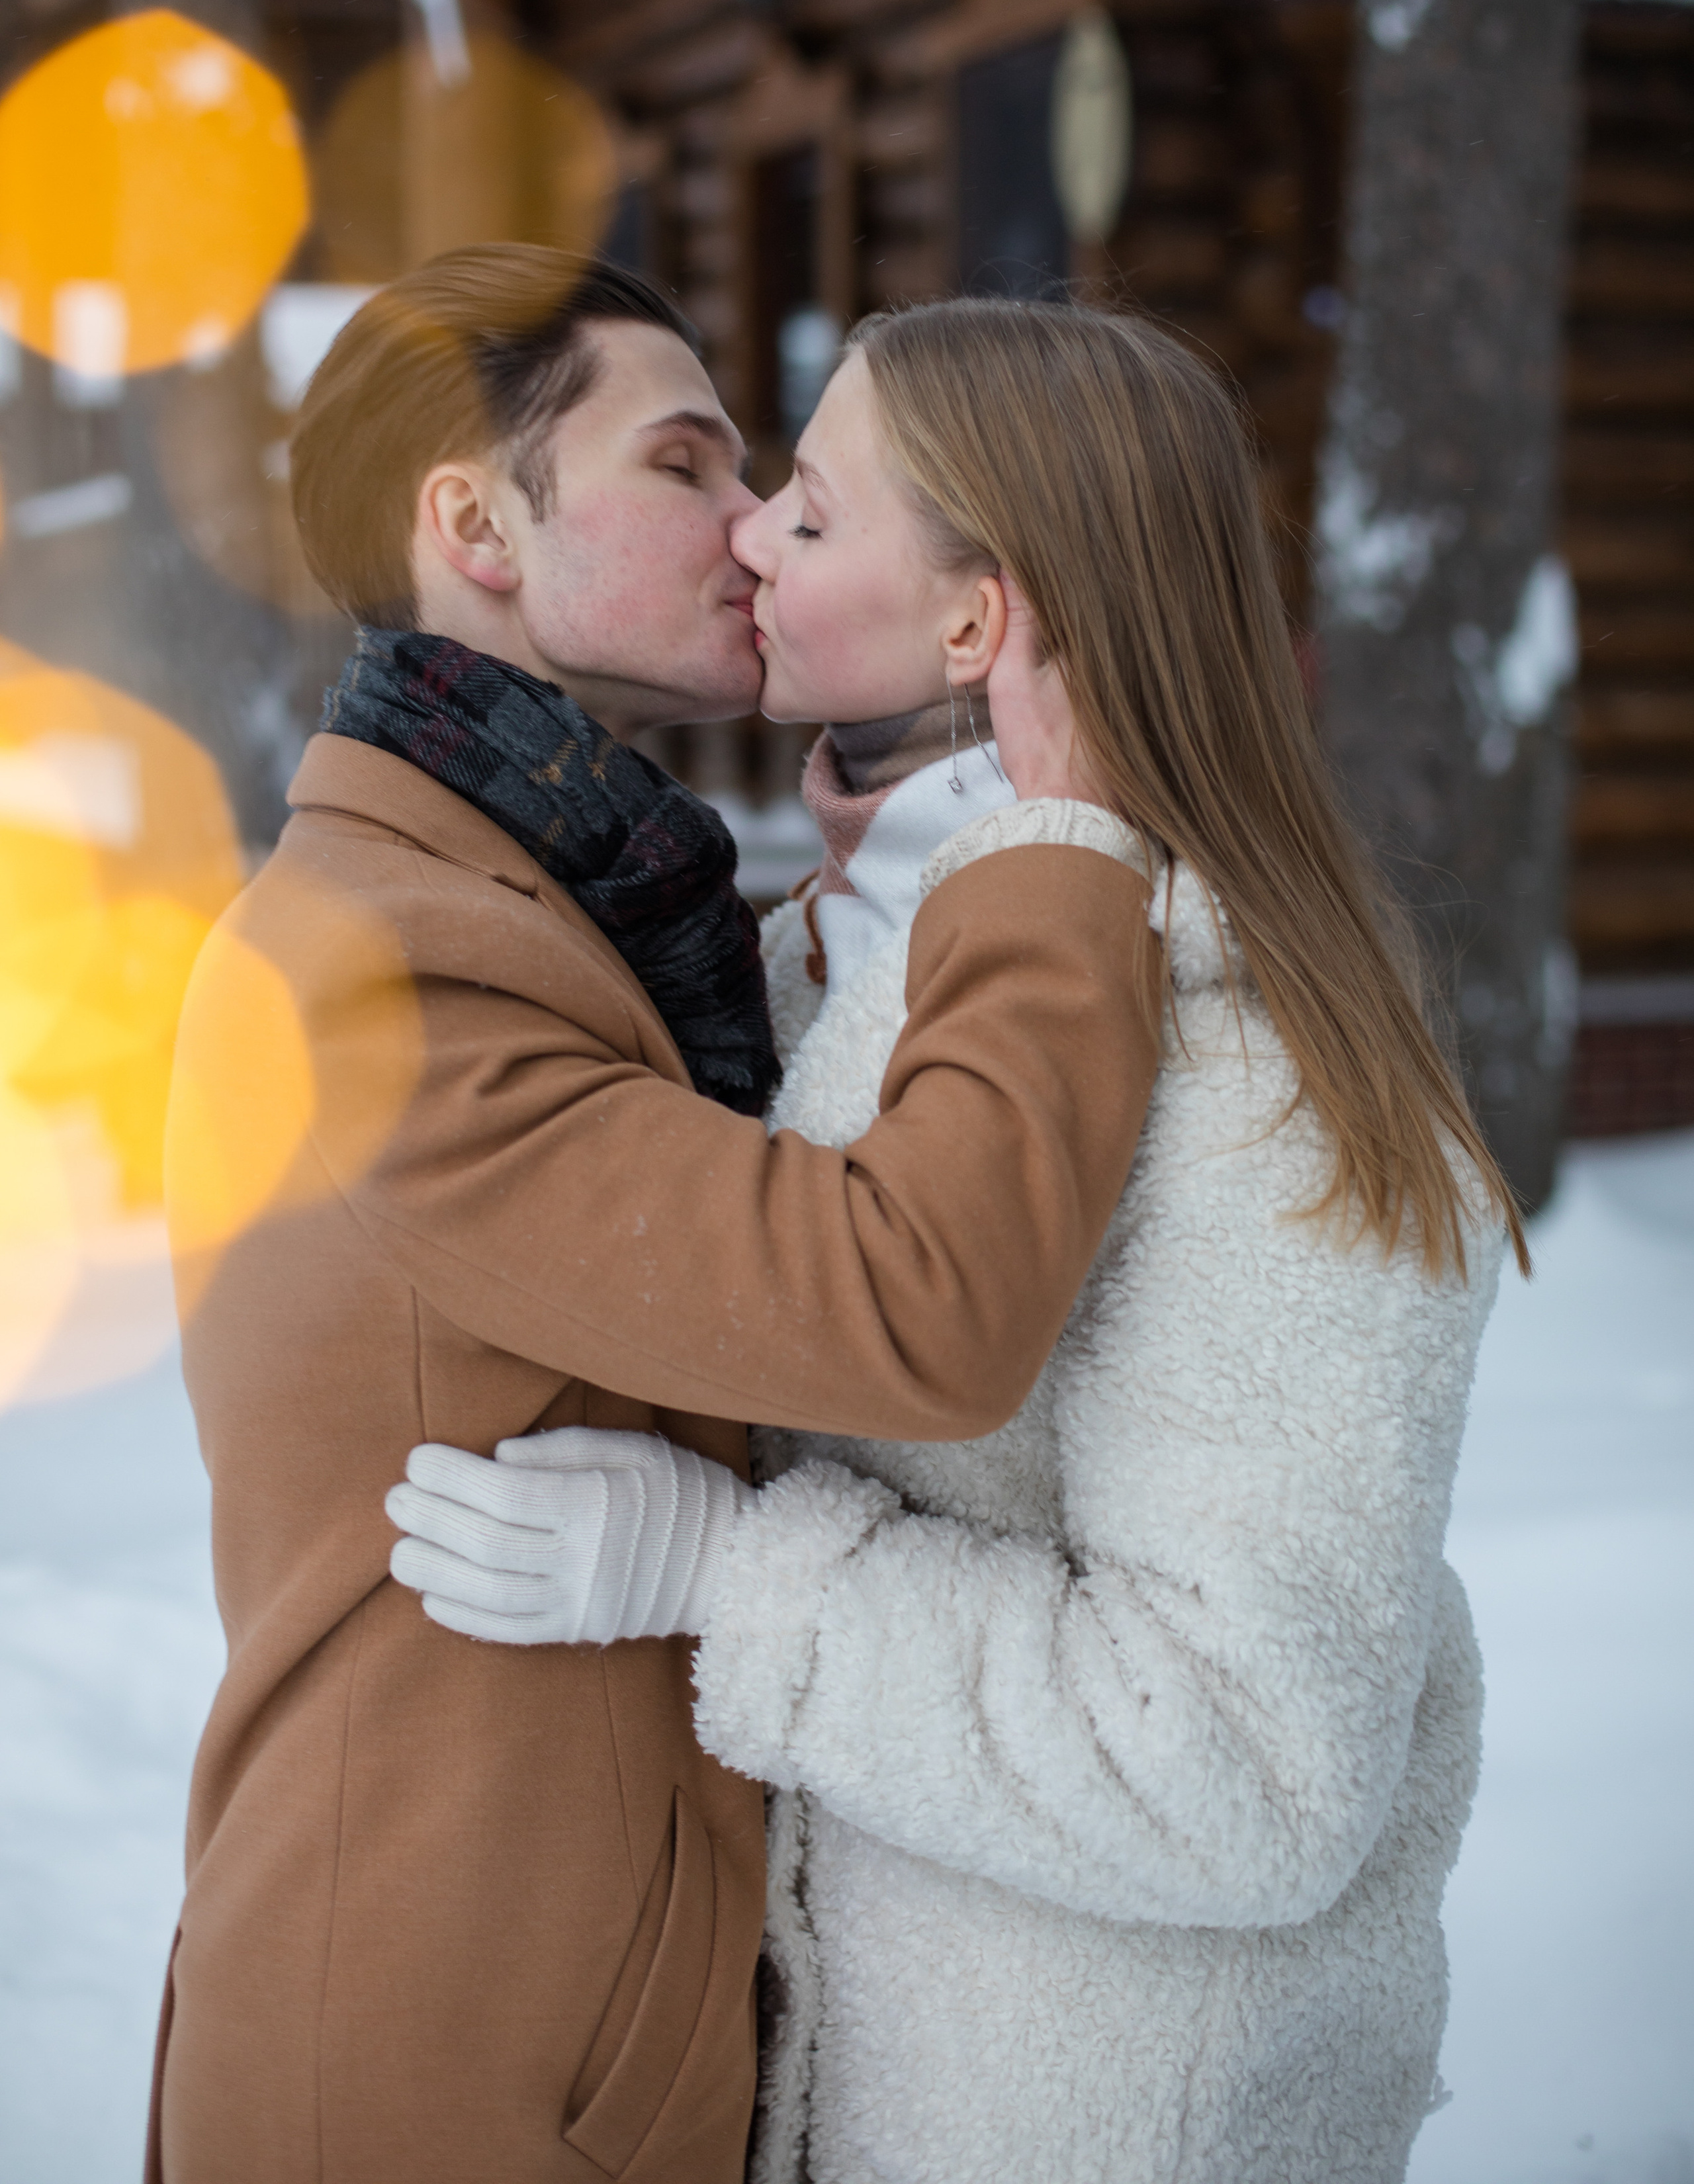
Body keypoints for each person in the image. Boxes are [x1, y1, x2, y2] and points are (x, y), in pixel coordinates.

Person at [390, 296, 1528, 2184]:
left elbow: (1248, 1764)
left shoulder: (1258, 1068)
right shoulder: (841, 968)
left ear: (973, 626)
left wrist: (729, 1574)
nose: (750, 531)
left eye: (813, 516)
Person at [148, 249, 1161, 2184]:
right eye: (686, 461)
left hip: (586, 2034)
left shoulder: (567, 904)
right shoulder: (381, 970)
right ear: (476, 525)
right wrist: (1062, 841)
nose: (755, 519)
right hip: (430, 2064)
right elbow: (914, 1306)